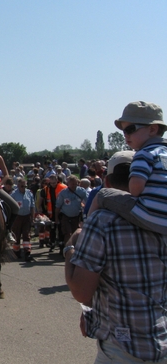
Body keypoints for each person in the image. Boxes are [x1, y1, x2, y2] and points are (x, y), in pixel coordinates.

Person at [64, 150, 167, 362]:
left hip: (122, 347)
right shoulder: (161, 217)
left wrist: (69, 250)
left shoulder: (101, 221)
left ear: (107, 180)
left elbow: (82, 291)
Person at [94, 101, 167, 235]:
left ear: (152, 129)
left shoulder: (144, 154)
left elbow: (135, 188)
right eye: (124, 131)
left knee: (102, 195)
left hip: (152, 216)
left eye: (130, 129)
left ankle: (87, 231)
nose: (125, 135)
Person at [55, 175, 88, 250]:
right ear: (68, 183)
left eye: (75, 184)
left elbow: (88, 202)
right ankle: (67, 250)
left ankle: (75, 249)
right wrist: (56, 218)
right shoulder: (63, 193)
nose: (74, 185)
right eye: (72, 184)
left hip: (76, 216)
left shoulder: (81, 191)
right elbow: (58, 206)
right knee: (67, 233)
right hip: (65, 216)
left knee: (75, 233)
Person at [10, 177, 35, 260]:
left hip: (27, 217)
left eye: (25, 186)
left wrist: (32, 218)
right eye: (22, 186)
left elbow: (32, 206)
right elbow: (9, 207)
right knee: (16, 235)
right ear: (18, 185)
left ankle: (27, 252)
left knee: (26, 235)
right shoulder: (13, 194)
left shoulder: (29, 193)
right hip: (17, 217)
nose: (23, 188)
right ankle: (16, 252)